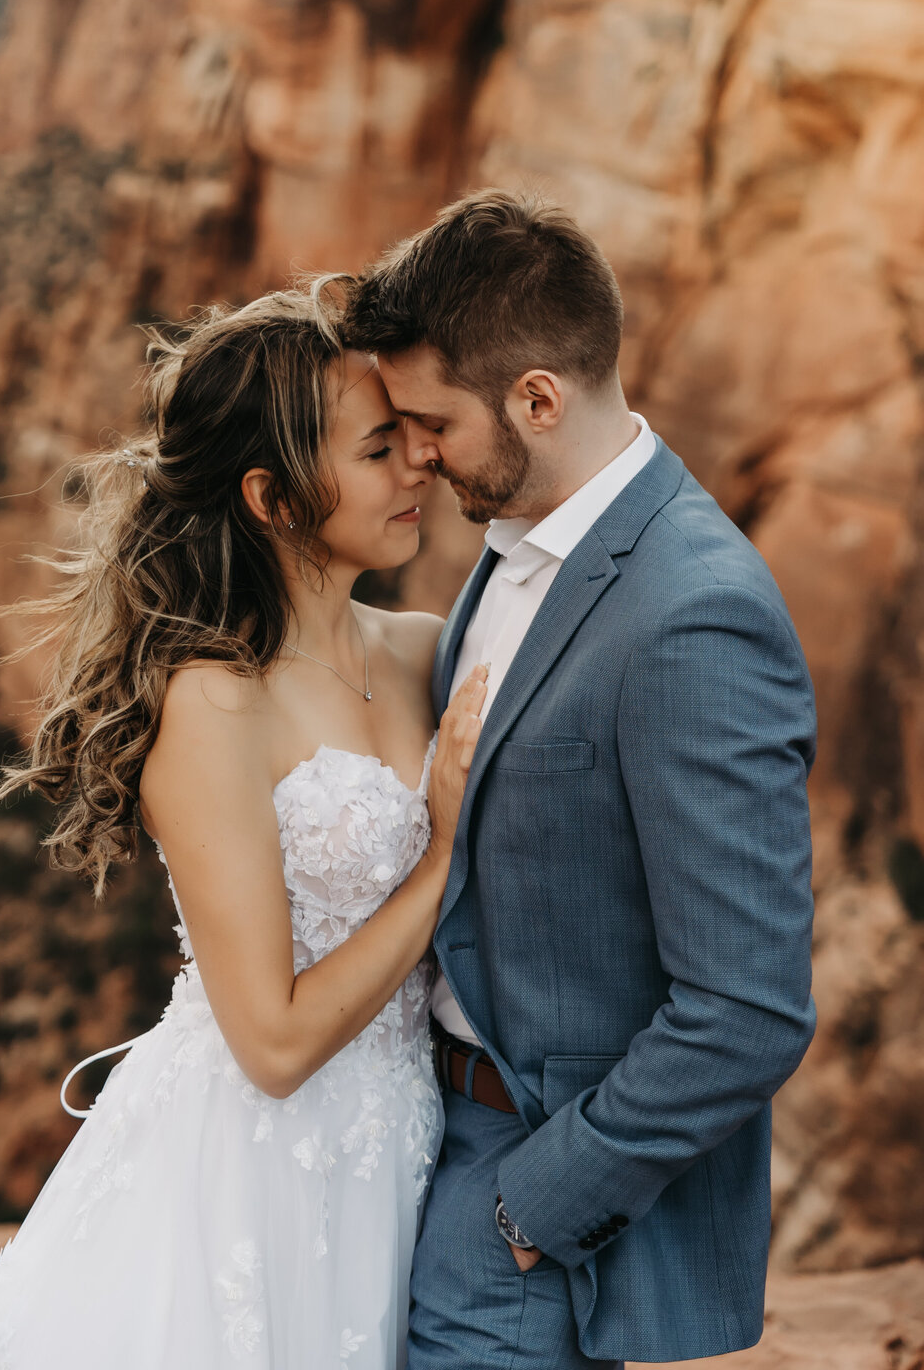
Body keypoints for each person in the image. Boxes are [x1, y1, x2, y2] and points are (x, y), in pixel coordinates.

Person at [0, 283, 487, 1370]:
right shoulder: (214, 700)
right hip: (249, 1174)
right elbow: (272, 1046)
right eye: (379, 450)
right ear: (274, 499)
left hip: (399, 1149)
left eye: (413, 439)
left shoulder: (426, 647)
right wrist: (443, 858)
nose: (420, 465)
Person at [344, 188, 817, 1370]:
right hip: (416, 1140)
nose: (415, 452)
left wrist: (531, 1210)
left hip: (527, 1212)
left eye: (432, 420)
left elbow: (749, 1007)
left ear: (537, 400)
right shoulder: (515, 547)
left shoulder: (694, 615)